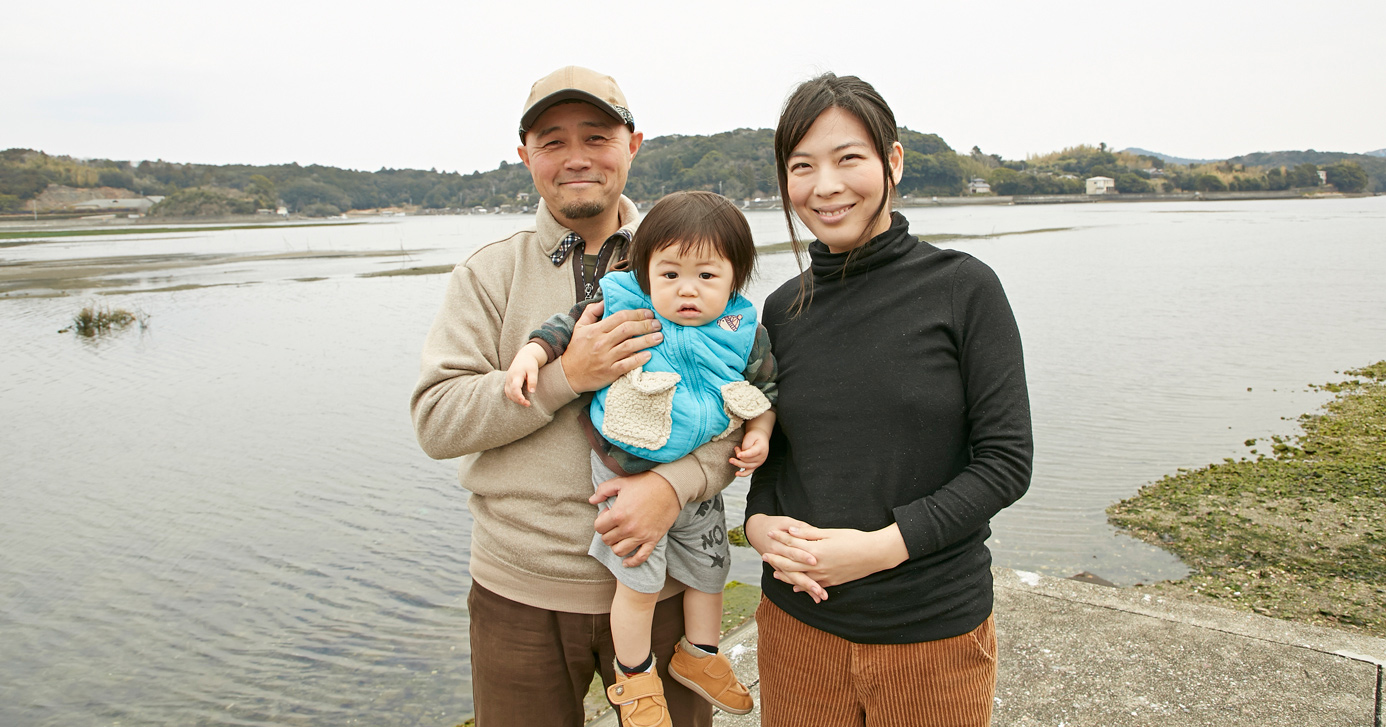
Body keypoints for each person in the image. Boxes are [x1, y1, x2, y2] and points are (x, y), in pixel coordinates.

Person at [411, 66, 739, 727]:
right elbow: (437, 421)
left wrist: (674, 485)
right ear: (525, 155)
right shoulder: (488, 273)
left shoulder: (690, 263)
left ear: (634, 144)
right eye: (553, 141)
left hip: (667, 577)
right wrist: (567, 377)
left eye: (597, 135)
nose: (577, 157)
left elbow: (745, 401)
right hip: (519, 594)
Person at [744, 73, 1033, 727]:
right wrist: (758, 525)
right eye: (802, 167)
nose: (826, 186)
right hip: (797, 627)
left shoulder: (963, 288)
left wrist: (879, 548)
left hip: (930, 630)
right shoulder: (781, 308)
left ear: (892, 161)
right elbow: (774, 460)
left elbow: (1006, 462)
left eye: (849, 158)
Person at [506, 190, 772, 727]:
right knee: (639, 580)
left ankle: (699, 657)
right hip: (624, 465)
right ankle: (635, 676)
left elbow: (766, 388)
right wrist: (532, 354)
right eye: (669, 274)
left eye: (707, 276)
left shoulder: (744, 330)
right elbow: (563, 329)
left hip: (694, 480)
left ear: (735, 280)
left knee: (710, 572)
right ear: (645, 269)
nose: (687, 291)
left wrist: (760, 433)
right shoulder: (624, 303)